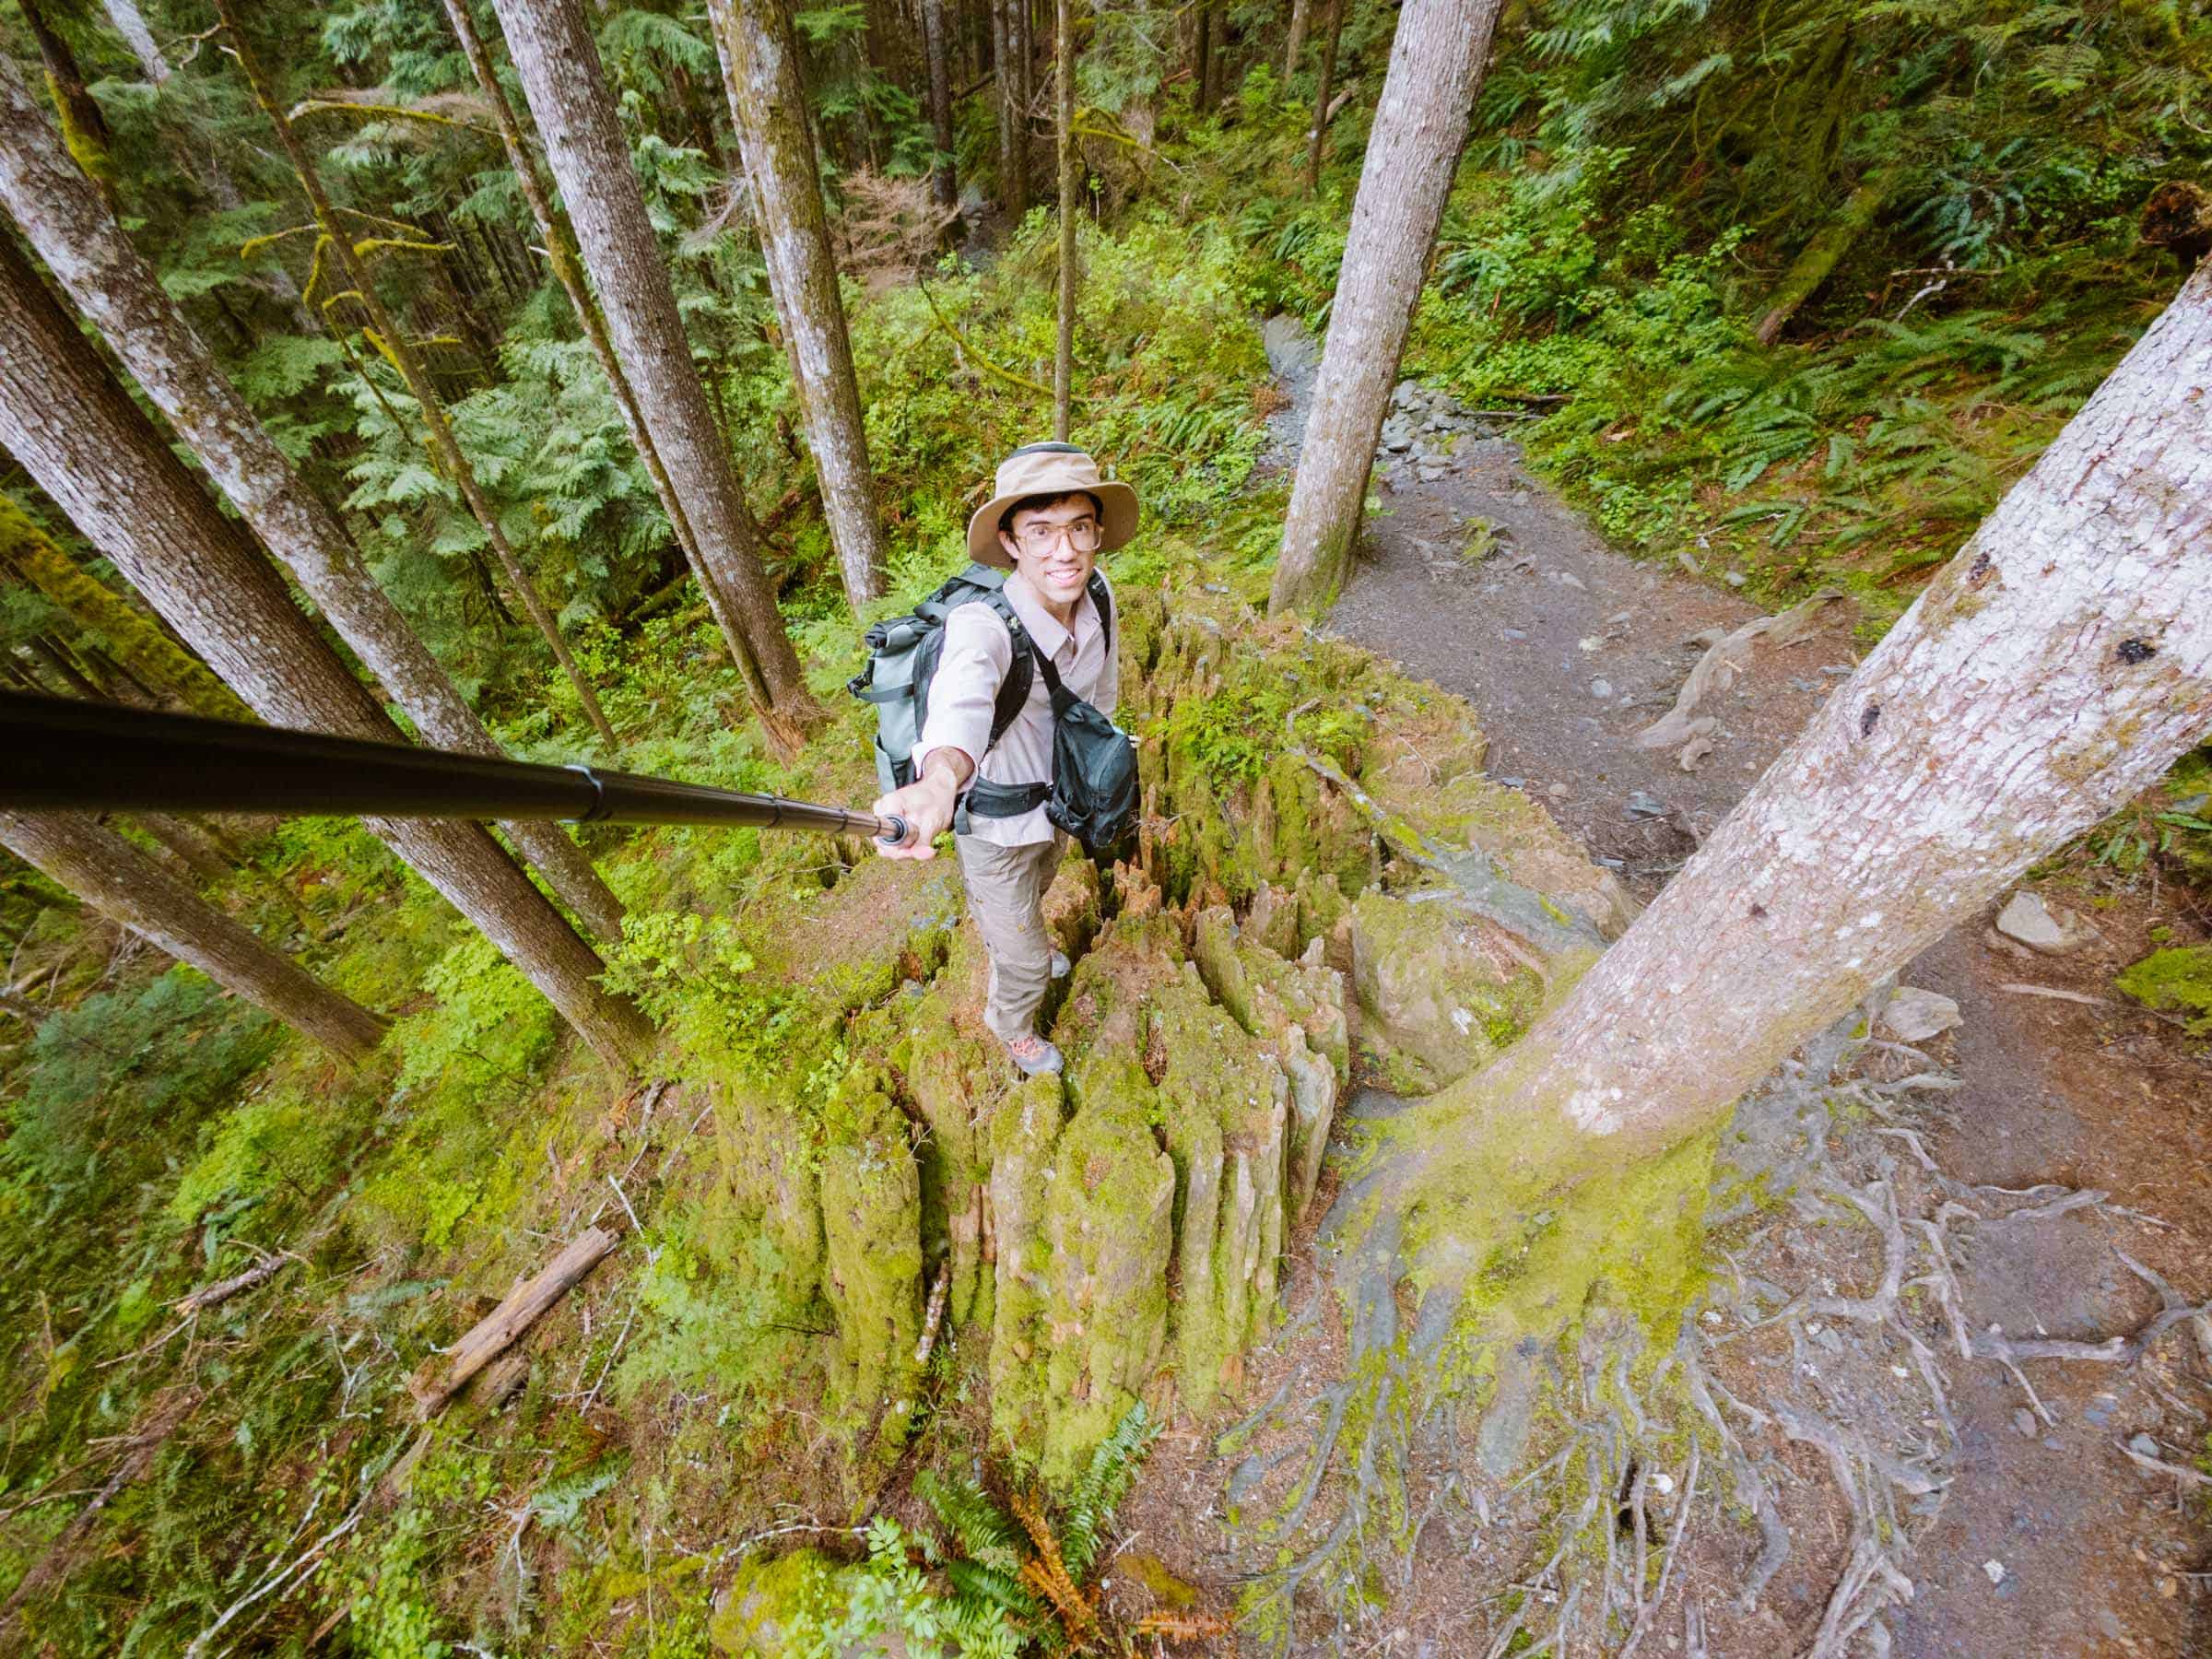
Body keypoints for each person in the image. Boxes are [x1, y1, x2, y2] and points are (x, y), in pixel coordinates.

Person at [873, 443, 1140, 1076]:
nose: (1065, 550)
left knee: (1041, 884)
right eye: (1041, 531)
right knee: (1020, 956)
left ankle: (1019, 935)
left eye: (1079, 527)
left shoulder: (1099, 594)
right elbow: (961, 704)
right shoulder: (983, 627)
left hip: (1060, 803)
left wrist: (1102, 755)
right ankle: (1012, 1025)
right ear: (1010, 542)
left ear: (1098, 532)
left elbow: (1100, 692)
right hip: (994, 827)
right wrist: (938, 783)